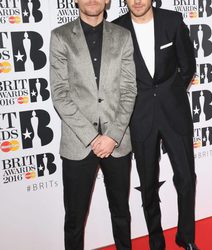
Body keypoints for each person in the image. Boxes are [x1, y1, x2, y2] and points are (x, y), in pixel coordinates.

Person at [50, 0, 137, 249]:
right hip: (78, 143)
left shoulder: (122, 36)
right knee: (75, 219)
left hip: (117, 141)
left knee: (121, 213)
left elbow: (129, 90)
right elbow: (60, 94)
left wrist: (113, 135)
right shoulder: (61, 37)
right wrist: (92, 137)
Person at [113, 1, 198, 249]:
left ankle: (187, 238)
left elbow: (188, 65)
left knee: (186, 177)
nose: (138, 1)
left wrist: (169, 95)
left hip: (175, 114)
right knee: (148, 182)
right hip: (139, 117)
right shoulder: (117, 29)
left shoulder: (172, 21)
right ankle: (156, 239)